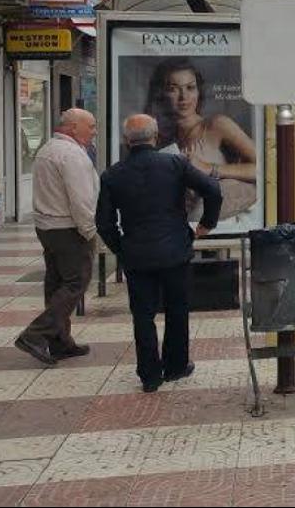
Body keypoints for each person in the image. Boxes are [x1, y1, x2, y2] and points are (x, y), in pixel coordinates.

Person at [96, 115, 222, 393]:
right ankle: (176, 365)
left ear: (127, 140)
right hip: (175, 250)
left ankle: (150, 375)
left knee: (142, 315)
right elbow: (213, 188)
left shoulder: (113, 174)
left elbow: (103, 223)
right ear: (155, 138)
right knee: (177, 309)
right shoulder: (175, 164)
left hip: (137, 256)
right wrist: (206, 225)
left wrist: (122, 248)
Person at [15, 109, 99, 366]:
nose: (94, 131)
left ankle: (59, 341)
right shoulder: (71, 154)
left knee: (56, 283)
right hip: (68, 228)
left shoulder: (47, 148)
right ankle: (35, 335)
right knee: (75, 283)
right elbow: (80, 199)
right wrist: (89, 230)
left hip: (48, 226)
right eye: (91, 126)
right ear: (73, 127)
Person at [144, 58, 256, 221]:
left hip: (220, 231)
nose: (184, 97)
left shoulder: (217, 125)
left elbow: (265, 169)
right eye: (173, 89)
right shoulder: (161, 140)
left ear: (199, 92)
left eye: (190, 88)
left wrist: (209, 168)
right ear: (161, 94)